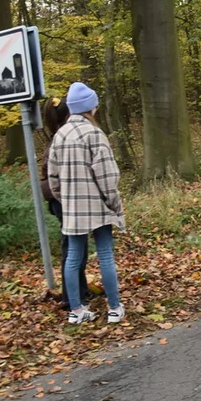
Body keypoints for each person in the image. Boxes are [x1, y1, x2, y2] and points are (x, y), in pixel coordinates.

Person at [48, 82, 127, 325]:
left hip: (72, 209)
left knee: (73, 258)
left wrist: (66, 200)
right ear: (89, 109)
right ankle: (114, 308)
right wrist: (114, 203)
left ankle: (76, 311)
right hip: (98, 207)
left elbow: (53, 177)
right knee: (105, 255)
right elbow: (107, 176)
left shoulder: (60, 135)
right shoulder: (95, 134)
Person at [40, 97, 89, 310]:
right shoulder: (63, 141)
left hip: (60, 200)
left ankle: (80, 290)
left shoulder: (56, 139)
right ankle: (72, 297)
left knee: (76, 246)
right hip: (64, 201)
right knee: (73, 247)